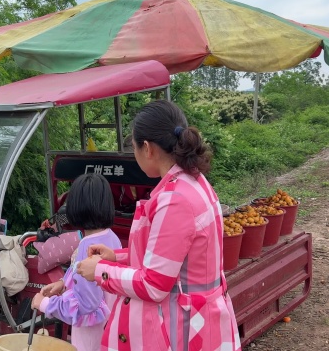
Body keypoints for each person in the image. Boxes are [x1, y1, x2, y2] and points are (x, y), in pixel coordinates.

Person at [76, 100, 241, 351]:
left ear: (147, 148)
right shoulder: (193, 182)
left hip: (185, 330)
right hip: (200, 319)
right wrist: (118, 257)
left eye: (133, 146)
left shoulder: (175, 200)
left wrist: (100, 271)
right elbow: (167, 261)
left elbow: (154, 284)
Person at [31, 173, 122, 351]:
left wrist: (44, 304)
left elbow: (85, 306)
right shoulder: (111, 238)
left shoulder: (87, 247)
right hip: (111, 330)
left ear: (75, 207)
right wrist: (62, 283)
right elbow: (86, 279)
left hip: (90, 340)